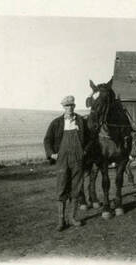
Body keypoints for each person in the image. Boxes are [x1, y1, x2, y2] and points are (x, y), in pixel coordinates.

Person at [43, 95, 89, 231]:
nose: (69, 108)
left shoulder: (81, 121)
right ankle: (61, 221)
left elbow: (91, 138)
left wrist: (84, 151)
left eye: (71, 105)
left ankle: (73, 218)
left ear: (74, 106)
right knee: (62, 187)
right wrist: (51, 153)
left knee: (76, 187)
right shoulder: (56, 123)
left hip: (77, 159)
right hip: (62, 160)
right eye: (66, 106)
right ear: (63, 107)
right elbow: (47, 140)